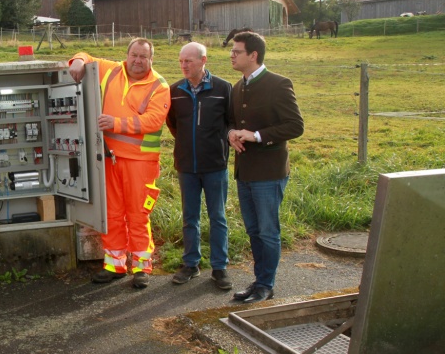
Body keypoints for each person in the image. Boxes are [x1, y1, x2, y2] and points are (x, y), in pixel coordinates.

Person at [68, 38, 171, 289]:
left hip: (140, 162)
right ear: (127, 54)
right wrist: (78, 60)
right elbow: (86, 56)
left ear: (151, 59)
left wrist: (115, 123)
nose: (137, 61)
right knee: (111, 213)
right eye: (134, 55)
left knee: (138, 215)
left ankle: (142, 267)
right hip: (109, 158)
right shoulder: (112, 70)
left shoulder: (159, 86)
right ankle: (115, 265)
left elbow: (153, 121)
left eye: (143, 57)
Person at [227, 31, 304, 303]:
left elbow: (295, 126)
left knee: (268, 232)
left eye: (237, 51)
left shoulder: (278, 84)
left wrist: (257, 135)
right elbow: (232, 122)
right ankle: (259, 281)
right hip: (244, 171)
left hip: (269, 172)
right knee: (253, 230)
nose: (231, 55)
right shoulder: (237, 87)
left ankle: (266, 285)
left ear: (253, 55)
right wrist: (231, 134)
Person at [167, 42, 233, 290]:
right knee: (189, 217)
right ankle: (191, 264)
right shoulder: (174, 91)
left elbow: (231, 123)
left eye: (189, 61)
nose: (184, 65)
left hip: (215, 165)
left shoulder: (223, 88)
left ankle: (219, 268)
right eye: (181, 61)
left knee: (218, 217)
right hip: (186, 166)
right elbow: (173, 124)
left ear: (203, 61)